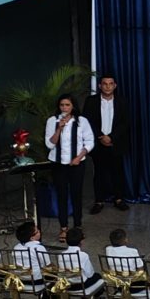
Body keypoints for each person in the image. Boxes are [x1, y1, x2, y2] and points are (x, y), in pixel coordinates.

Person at [45, 94, 94, 244]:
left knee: (76, 194)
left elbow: (90, 141)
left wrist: (79, 157)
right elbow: (50, 144)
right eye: (62, 105)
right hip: (58, 164)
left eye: (67, 105)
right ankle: (64, 228)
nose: (64, 108)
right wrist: (59, 129)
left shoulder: (81, 121)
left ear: (73, 106)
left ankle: (78, 226)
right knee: (61, 195)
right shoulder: (52, 121)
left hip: (77, 164)